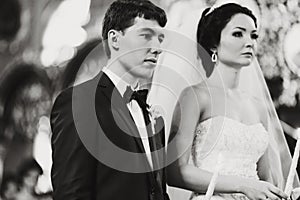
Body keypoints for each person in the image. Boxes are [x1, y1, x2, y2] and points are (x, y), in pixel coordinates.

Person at [166, 3, 298, 200]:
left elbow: (265, 178)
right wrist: (242, 186)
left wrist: (280, 194)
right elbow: (175, 172)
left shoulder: (258, 106)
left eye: (253, 35)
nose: (249, 42)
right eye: (238, 34)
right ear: (213, 44)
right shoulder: (195, 96)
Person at [50, 0, 169, 199]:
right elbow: (71, 193)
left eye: (160, 40)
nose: (157, 48)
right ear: (115, 39)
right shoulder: (79, 102)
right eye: (146, 36)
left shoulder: (150, 113)